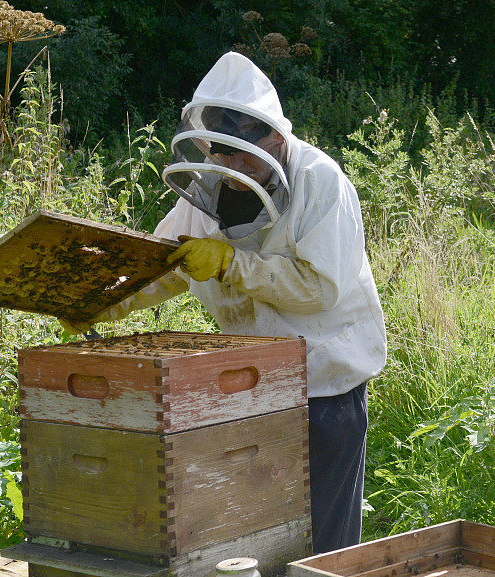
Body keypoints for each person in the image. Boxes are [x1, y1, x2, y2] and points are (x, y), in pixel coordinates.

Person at [60, 52, 388, 554]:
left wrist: (232, 265)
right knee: (260, 533)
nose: (230, 167)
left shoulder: (319, 181)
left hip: (326, 385)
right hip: (250, 386)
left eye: (241, 154)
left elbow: (321, 288)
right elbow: (162, 264)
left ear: (275, 139)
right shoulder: (208, 188)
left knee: (325, 541)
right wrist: (99, 304)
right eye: (221, 152)